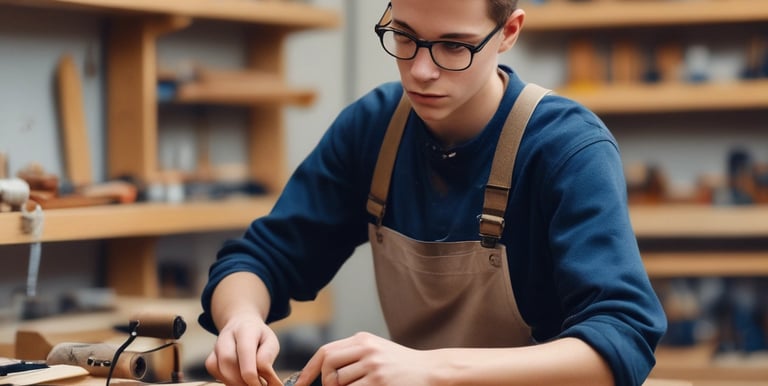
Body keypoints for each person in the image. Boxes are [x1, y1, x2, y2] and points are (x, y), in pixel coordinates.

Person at [198, 0, 667, 385]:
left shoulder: (567, 148)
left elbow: (622, 339)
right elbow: (258, 259)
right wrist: (241, 321)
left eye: (452, 46)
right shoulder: (373, 129)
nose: (421, 70)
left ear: (508, 32)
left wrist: (431, 368)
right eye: (404, 36)